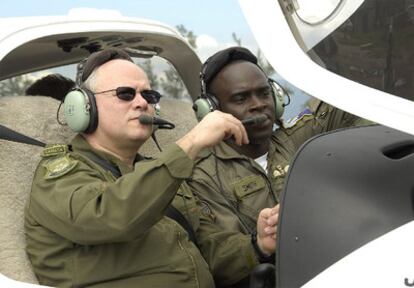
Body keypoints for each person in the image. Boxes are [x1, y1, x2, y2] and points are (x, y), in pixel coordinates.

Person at [24, 48, 278, 288]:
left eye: (149, 95)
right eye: (125, 93)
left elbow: (210, 255)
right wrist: (190, 142)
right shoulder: (57, 175)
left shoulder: (159, 174)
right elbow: (111, 216)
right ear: (83, 107)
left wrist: (258, 245)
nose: (141, 103)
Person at [185, 47, 372, 269]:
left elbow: (359, 105)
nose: (258, 105)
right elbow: (217, 258)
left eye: (264, 93)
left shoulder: (297, 137)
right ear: (212, 112)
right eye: (241, 98)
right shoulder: (202, 176)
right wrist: (259, 245)